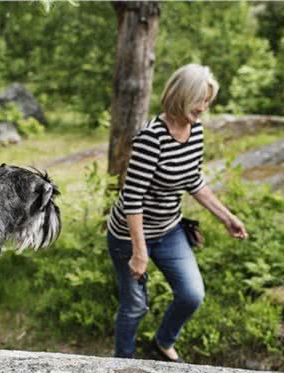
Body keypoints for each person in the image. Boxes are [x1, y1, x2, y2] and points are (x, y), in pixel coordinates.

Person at [106, 63, 248, 362]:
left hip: (169, 229)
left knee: (191, 294)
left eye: (208, 101)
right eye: (201, 100)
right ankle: (122, 361)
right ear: (182, 95)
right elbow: (132, 197)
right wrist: (139, 251)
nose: (204, 108)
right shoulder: (151, 138)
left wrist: (227, 217)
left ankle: (163, 341)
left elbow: (193, 180)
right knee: (134, 305)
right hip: (129, 235)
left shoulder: (195, 130)